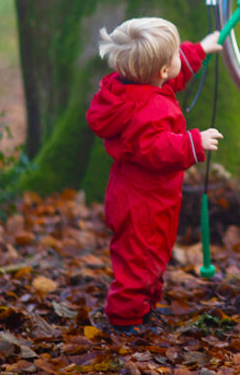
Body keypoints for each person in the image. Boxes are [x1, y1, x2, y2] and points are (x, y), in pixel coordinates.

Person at [86, 18, 223, 333]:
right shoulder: (149, 109)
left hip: (146, 196)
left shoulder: (134, 90)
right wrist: (193, 142)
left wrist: (199, 49)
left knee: (153, 254)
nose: (179, 58)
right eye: (175, 54)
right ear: (161, 70)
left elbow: (172, 79)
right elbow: (156, 149)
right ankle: (126, 319)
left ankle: (143, 307)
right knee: (139, 260)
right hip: (142, 202)